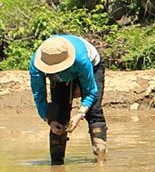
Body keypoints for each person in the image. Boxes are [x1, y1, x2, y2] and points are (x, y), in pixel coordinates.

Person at [31, 35, 106, 164]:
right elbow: (39, 94)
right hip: (61, 79)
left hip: (92, 67)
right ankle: (56, 165)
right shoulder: (36, 64)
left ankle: (100, 160)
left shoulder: (81, 59)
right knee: (58, 116)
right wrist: (48, 119)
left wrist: (80, 114)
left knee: (94, 111)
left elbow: (90, 92)